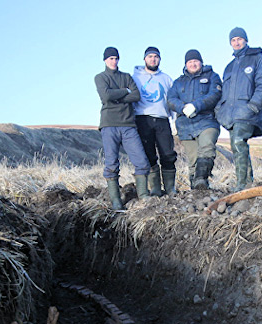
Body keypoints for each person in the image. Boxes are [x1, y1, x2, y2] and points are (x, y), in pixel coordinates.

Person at [94, 46, 151, 209]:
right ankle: (116, 202)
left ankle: (144, 197)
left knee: (141, 161)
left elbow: (136, 95)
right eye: (111, 58)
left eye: (116, 58)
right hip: (109, 125)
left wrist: (116, 96)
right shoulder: (100, 77)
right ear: (105, 60)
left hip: (128, 125)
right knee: (111, 164)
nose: (114, 61)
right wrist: (124, 92)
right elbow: (105, 96)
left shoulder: (126, 76)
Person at [215, 27, 262, 191]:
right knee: (236, 145)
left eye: (239, 39)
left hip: (247, 111)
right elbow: (223, 92)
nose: (237, 42)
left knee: (239, 141)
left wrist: (253, 105)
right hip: (231, 115)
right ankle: (247, 182)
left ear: (246, 40)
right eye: (233, 40)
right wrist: (220, 111)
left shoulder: (257, 58)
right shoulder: (229, 67)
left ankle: (242, 184)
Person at [167, 49, 222, 190]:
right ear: (185, 64)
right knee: (192, 160)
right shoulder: (178, 82)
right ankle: (197, 193)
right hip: (185, 126)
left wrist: (196, 106)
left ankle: (201, 179)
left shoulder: (212, 76)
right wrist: (182, 107)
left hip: (207, 121)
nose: (193, 64)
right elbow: (171, 99)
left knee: (207, 148)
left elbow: (215, 94)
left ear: (201, 62)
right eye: (190, 62)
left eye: (195, 61)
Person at [132, 46, 178, 196]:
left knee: (168, 154)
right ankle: (156, 188)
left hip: (162, 119)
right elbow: (131, 100)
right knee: (149, 154)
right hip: (143, 119)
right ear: (145, 59)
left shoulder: (166, 79)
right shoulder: (136, 78)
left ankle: (170, 188)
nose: (153, 59)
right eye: (150, 56)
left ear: (159, 59)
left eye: (156, 57)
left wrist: (175, 121)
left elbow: (172, 101)